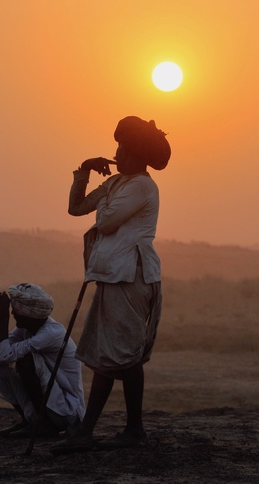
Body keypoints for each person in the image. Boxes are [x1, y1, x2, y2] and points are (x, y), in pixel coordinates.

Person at [51, 116, 170, 454]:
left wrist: (105, 196)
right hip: (114, 275)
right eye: (117, 147)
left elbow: (104, 222)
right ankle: (107, 431)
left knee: (121, 354)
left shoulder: (142, 187)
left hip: (132, 277)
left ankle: (113, 431)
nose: (116, 154)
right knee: (114, 354)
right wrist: (84, 171)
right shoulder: (119, 183)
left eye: (122, 149)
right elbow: (76, 208)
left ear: (136, 154)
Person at [0, 283, 85, 439]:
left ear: (29, 314)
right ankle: (30, 421)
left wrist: (4, 315)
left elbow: (2, 354)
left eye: (16, 310)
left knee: (26, 361)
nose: (13, 312)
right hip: (50, 404)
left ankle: (44, 425)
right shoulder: (27, 329)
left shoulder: (50, 333)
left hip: (66, 410)